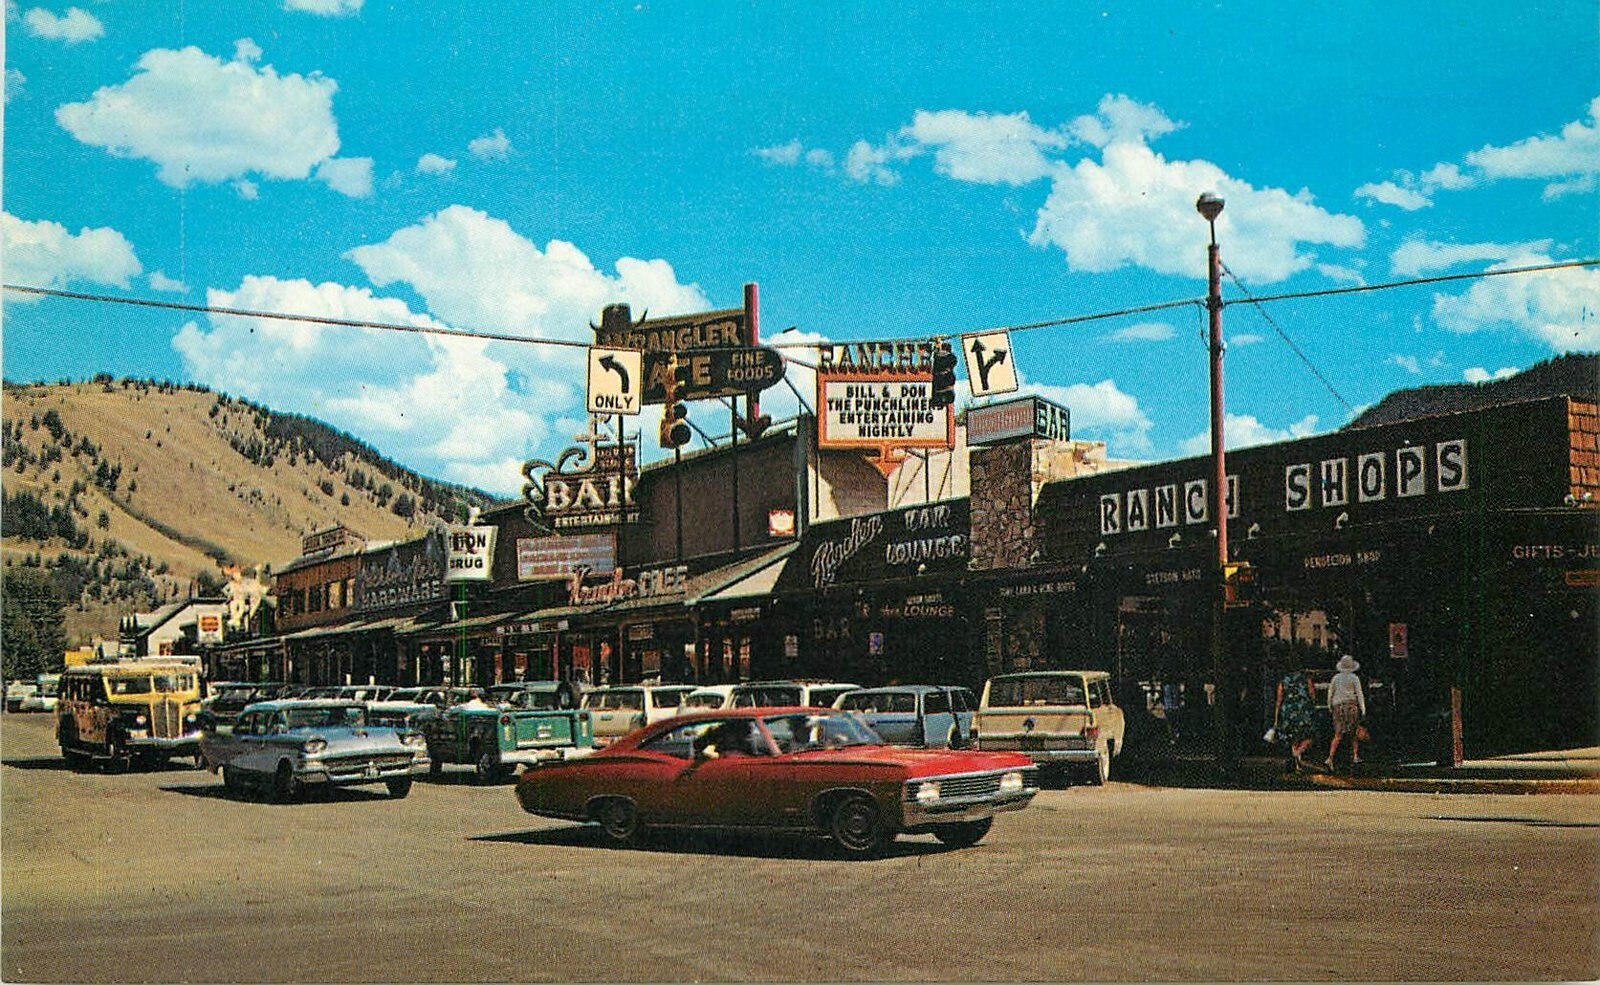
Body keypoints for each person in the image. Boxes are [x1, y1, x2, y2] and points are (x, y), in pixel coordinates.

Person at [1324, 654, 1367, 771]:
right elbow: (1359, 694)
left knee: (1338, 734)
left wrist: (1330, 706)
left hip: (1338, 706)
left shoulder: (1335, 678)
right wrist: (1363, 709)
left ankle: (1330, 757)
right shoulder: (1354, 678)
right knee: (1353, 732)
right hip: (1352, 706)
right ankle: (1355, 755)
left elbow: (1330, 693)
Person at [1271, 664, 1318, 771]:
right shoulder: (1306, 679)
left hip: (1287, 712)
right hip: (1303, 711)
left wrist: (1276, 718)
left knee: (1294, 738)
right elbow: (1312, 694)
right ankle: (1297, 755)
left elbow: (1279, 700)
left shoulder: (1284, 680)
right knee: (1309, 736)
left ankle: (1297, 764)